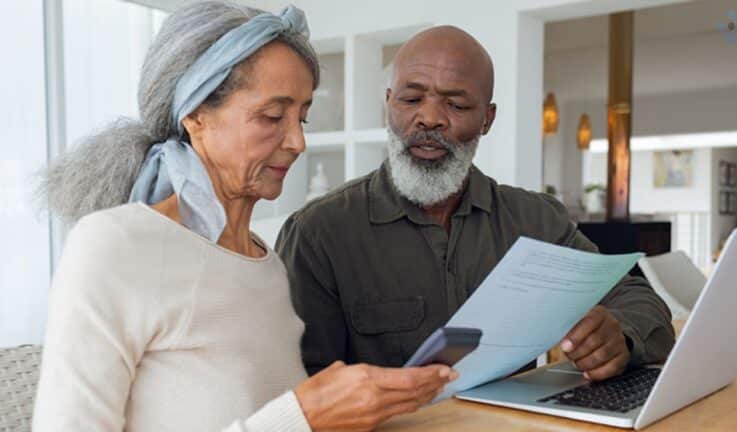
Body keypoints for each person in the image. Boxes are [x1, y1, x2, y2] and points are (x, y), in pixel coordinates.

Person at [33, 3, 455, 432]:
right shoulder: (114, 247)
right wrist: (304, 417)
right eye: (272, 116)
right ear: (195, 116)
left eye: (302, 117)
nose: (298, 141)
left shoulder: (266, 265)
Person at [277, 26, 675, 382]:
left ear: (487, 118)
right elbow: (297, 387)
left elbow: (642, 302)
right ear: (388, 104)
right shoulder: (319, 233)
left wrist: (618, 334)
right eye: (412, 98)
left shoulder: (536, 220)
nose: (429, 118)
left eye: (457, 105)